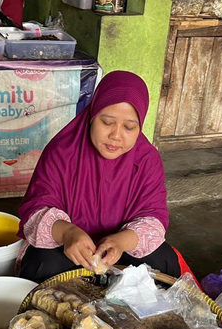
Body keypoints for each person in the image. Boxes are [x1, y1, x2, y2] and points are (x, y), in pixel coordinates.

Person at [17, 71, 195, 283]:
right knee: (41, 264)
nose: (116, 135)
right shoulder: (62, 151)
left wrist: (121, 242)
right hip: (70, 248)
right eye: (107, 122)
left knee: (163, 261)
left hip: (121, 250)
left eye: (129, 127)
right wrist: (68, 233)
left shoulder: (146, 159)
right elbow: (36, 210)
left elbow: (153, 217)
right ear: (92, 116)